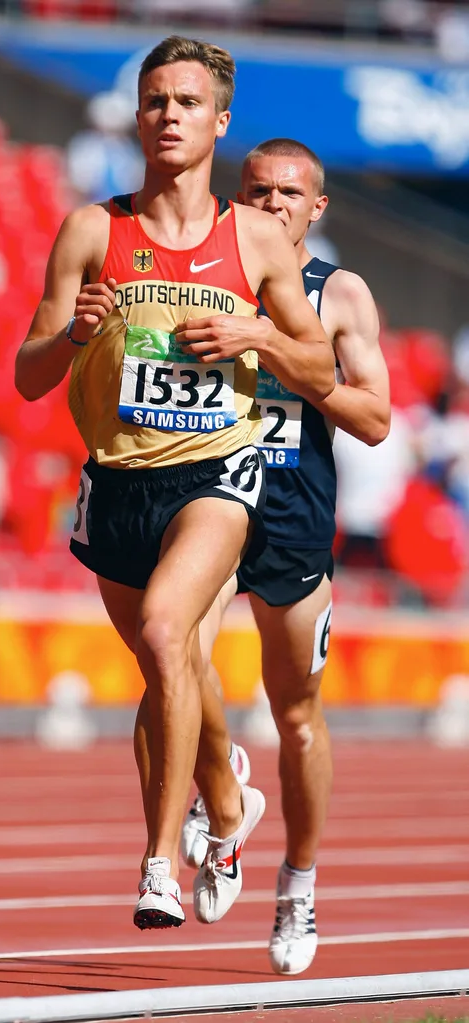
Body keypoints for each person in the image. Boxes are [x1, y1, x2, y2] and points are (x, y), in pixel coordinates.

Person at [15, 47, 335, 933]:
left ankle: (158, 861)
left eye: (188, 102)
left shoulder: (258, 237)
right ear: (136, 115)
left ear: (218, 122)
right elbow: (27, 376)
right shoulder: (91, 231)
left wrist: (255, 336)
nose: (169, 114)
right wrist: (74, 338)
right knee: (173, 665)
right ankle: (229, 806)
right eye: (155, 100)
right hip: (118, 479)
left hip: (219, 471)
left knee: (166, 627)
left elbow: (319, 363)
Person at [180, 138, 391, 971]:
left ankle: (299, 880)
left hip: (294, 514)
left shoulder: (338, 292)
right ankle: (225, 797)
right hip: (204, 499)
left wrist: (271, 347)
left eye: (288, 195)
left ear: (316, 208)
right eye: (258, 190)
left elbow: (375, 419)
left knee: (296, 713)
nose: (271, 205)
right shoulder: (202, 269)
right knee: (174, 654)